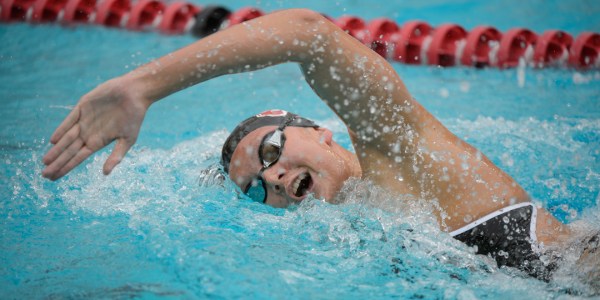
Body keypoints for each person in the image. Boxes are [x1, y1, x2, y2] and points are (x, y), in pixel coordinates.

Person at [41, 9, 581, 278]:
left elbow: (307, 34)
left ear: (320, 131)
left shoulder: (402, 152)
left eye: (271, 153)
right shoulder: (360, 239)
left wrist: (144, 86)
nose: (271, 179)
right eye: (256, 188)